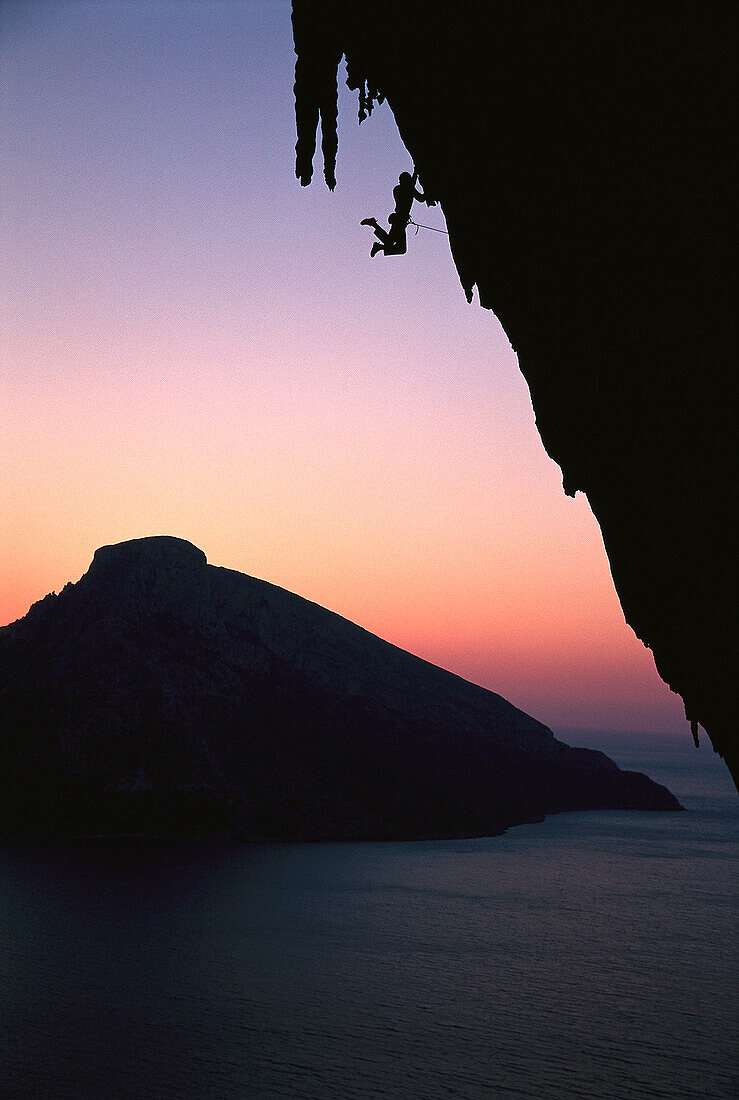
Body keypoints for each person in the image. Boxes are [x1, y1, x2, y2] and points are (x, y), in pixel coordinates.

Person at [361, 170, 436, 256]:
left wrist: (415, 175)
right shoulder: (404, 189)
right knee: (395, 245)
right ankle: (374, 227)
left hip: (400, 219)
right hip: (399, 219)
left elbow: (414, 191)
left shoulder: (401, 189)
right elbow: (420, 198)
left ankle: (376, 234)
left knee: (399, 248)